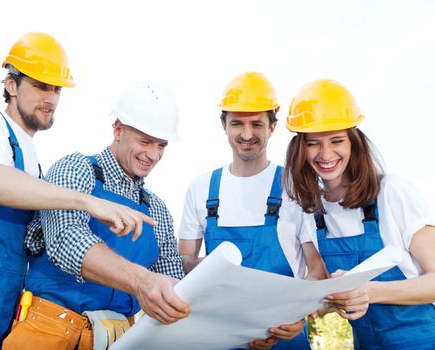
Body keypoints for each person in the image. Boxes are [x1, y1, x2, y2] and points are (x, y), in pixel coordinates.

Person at [0, 32, 153, 349]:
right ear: (11, 85)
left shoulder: (34, 163)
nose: (50, 97)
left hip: (3, 305)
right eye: (40, 85)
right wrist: (88, 202)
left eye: (56, 89)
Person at [4, 81, 190, 349]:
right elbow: (67, 240)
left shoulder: (157, 209)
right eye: (145, 141)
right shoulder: (75, 169)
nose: (153, 155)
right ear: (117, 130)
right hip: (50, 329)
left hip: (120, 338)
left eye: (161, 145)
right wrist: (143, 282)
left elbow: (173, 283)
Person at [178, 71, 328, 350]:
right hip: (219, 335)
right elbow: (185, 258)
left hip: (284, 334)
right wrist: (222, 278)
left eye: (256, 124)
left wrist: (293, 315)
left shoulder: (295, 186)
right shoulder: (201, 189)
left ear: (272, 126)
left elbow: (317, 267)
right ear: (224, 125)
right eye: (237, 123)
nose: (247, 134)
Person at [284, 79, 435, 349]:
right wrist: (289, 315)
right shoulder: (312, 212)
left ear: (354, 142)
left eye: (337, 140)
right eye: (313, 143)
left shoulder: (392, 192)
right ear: (300, 149)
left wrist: (371, 292)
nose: (326, 153)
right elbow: (318, 283)